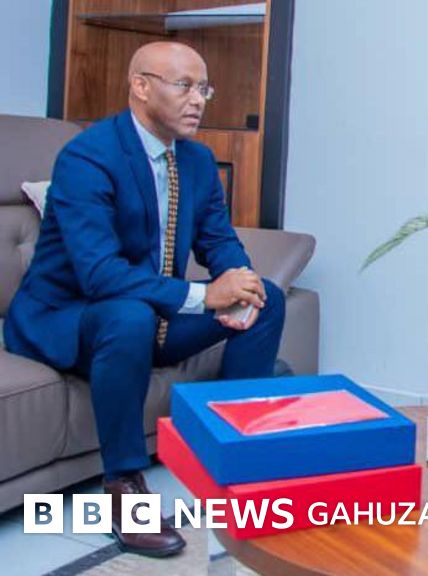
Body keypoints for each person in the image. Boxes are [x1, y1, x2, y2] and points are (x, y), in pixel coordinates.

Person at [3, 42, 286, 557]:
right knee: (129, 316)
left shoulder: (197, 160)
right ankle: (124, 487)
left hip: (146, 314)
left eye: (204, 89)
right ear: (140, 86)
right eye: (185, 86)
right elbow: (99, 274)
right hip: (67, 317)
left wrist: (238, 280)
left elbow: (217, 240)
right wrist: (204, 294)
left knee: (267, 298)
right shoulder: (88, 157)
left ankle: (235, 459)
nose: (198, 100)